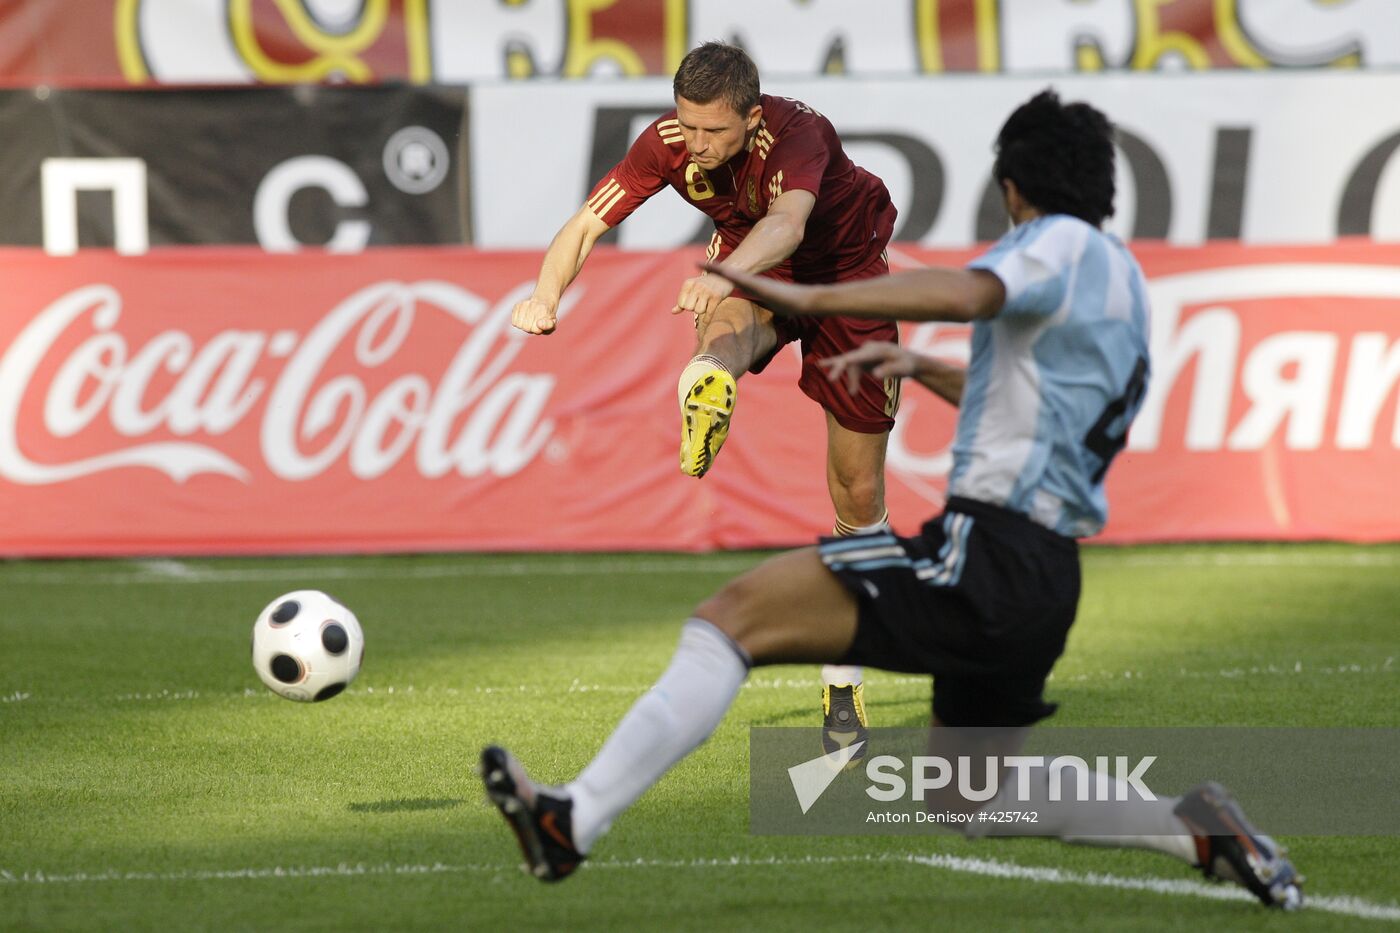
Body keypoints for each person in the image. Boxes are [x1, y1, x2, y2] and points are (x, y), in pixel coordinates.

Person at [480, 89, 1303, 910]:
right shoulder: (1119, 276)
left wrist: (812, 301)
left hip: (986, 554)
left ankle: (571, 819)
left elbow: (967, 295)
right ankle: (1200, 829)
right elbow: (1036, 401)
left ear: (1015, 187)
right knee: (971, 795)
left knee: (729, 620)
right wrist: (927, 372)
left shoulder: (1057, 243)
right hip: (1046, 577)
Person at [510, 41, 900, 745]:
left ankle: (842, 679)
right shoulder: (665, 143)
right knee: (721, 328)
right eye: (687, 126)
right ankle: (710, 379)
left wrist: (725, 273)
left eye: (713, 131)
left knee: (857, 492)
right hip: (756, 270)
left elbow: (788, 225)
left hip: (847, 278)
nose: (696, 144)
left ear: (751, 120)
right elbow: (586, 224)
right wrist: (544, 296)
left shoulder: (799, 133)